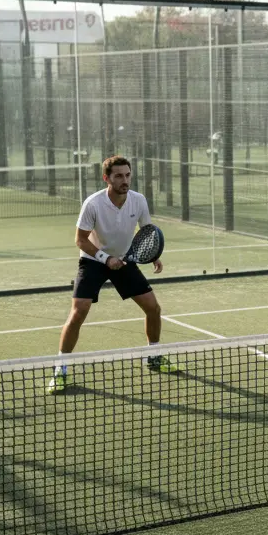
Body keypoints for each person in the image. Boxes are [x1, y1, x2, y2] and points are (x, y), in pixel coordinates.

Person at [48, 155, 177, 394]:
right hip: (93, 261)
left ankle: (153, 356)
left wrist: (152, 255)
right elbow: (80, 240)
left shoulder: (138, 200)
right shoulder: (93, 204)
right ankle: (61, 369)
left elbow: (146, 231)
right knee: (79, 312)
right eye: (118, 176)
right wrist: (106, 259)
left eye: (127, 175)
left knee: (153, 308)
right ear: (107, 178)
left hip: (125, 259)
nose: (124, 180)